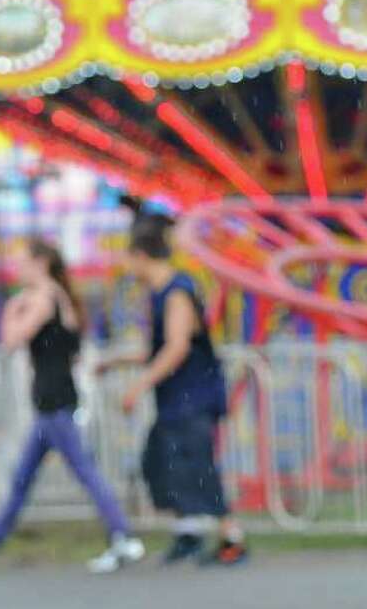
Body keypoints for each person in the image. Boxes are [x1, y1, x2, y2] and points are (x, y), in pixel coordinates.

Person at [0, 240, 144, 573]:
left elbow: (11, 340)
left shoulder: (42, 299)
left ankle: (123, 536)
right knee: (23, 477)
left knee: (85, 471)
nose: (18, 270)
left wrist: (11, 309)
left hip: (55, 402)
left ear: (41, 263)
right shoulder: (61, 297)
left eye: (23, 263)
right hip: (51, 401)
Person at [101, 211, 248, 566]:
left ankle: (232, 539)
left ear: (140, 255)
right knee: (162, 464)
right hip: (175, 400)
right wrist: (115, 363)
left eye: (127, 256)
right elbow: (159, 348)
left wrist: (139, 385)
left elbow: (177, 347)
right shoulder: (160, 293)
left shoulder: (176, 292)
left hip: (193, 397)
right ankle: (189, 533)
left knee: (198, 467)